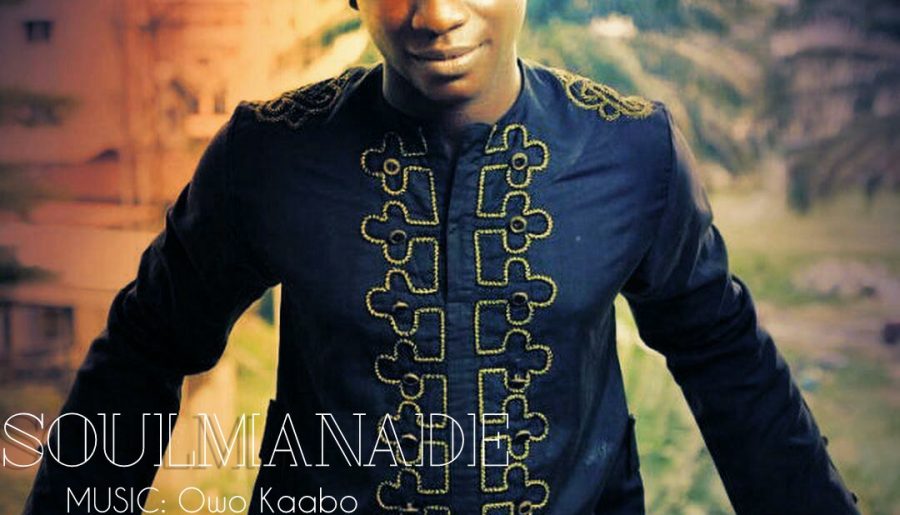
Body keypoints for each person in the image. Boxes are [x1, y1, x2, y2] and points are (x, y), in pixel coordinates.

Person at [24, 0, 860, 513]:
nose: (434, 15)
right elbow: (145, 351)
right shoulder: (270, 155)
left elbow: (727, 359)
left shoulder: (631, 150)